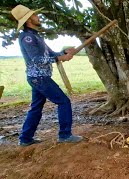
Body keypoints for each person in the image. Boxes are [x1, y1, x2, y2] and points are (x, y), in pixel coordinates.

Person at [11, 5, 83, 146]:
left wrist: (63, 52)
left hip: (38, 78)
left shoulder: (35, 36)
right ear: (28, 20)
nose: (38, 17)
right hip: (39, 78)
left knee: (36, 107)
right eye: (34, 15)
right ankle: (65, 135)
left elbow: (50, 54)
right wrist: (59, 59)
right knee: (63, 101)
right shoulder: (27, 38)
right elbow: (36, 59)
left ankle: (25, 139)